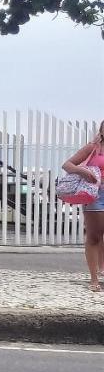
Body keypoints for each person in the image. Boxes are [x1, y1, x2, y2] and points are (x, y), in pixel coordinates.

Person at [61, 120, 104, 292]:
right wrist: (84, 171)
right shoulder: (92, 148)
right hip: (95, 195)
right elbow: (67, 165)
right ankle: (94, 279)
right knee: (94, 236)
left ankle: (102, 269)